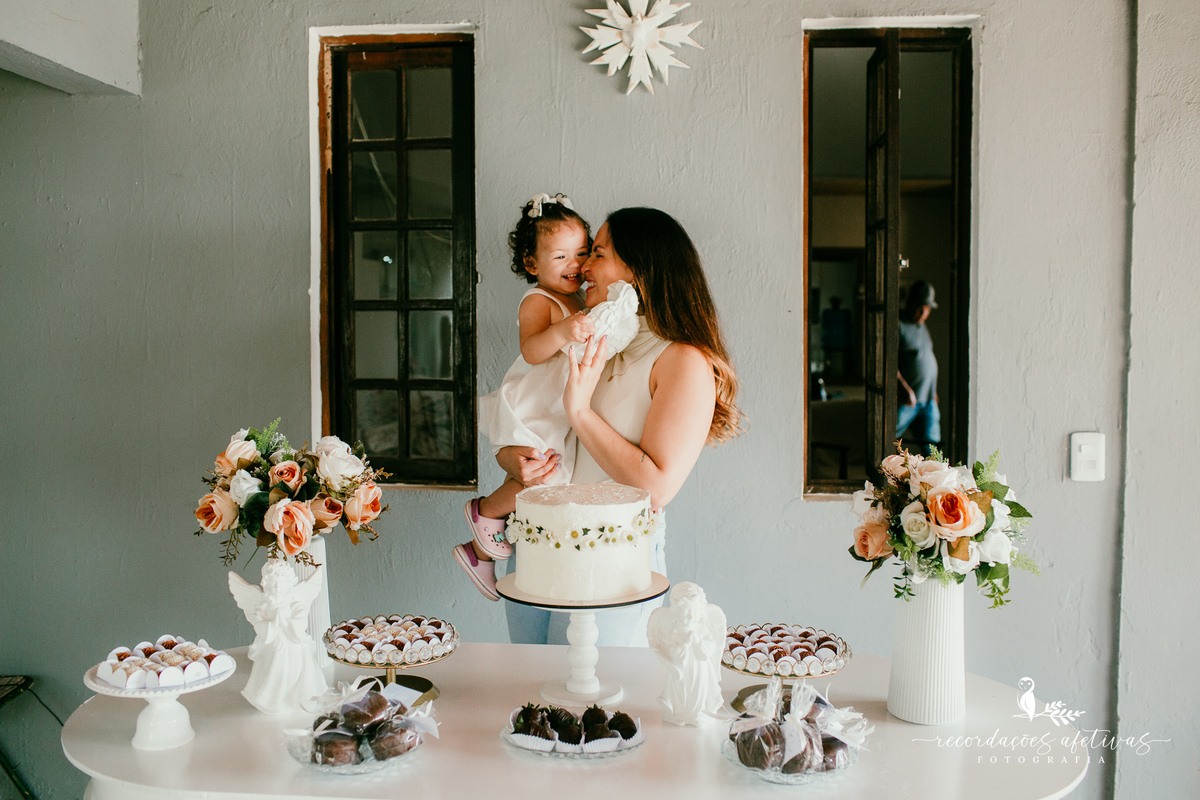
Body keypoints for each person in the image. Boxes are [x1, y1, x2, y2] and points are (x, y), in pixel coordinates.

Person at [495, 207, 743, 646]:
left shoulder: (682, 360)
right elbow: (540, 423)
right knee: (528, 680)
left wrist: (580, 411)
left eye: (598, 253)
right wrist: (513, 459)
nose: (583, 267)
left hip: (610, 562)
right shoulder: (597, 340)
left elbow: (656, 487)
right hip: (535, 547)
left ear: (639, 269)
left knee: (590, 688)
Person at [452, 193, 595, 600]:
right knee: (543, 476)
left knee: (544, 476)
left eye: (581, 253)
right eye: (560, 257)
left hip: (555, 409)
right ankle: (486, 511)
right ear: (532, 264)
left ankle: (479, 552)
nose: (574, 265)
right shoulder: (539, 299)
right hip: (533, 404)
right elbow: (531, 350)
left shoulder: (581, 298)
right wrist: (564, 331)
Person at [897, 279, 941, 456]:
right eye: (920, 308)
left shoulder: (922, 327)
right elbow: (888, 363)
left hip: (928, 400)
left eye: (927, 309)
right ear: (911, 304)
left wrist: (933, 391)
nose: (923, 313)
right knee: (886, 438)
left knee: (933, 452)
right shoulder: (899, 324)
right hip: (908, 400)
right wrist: (904, 388)